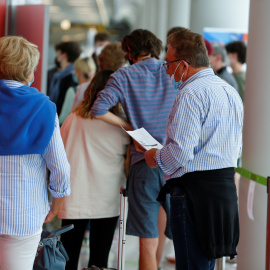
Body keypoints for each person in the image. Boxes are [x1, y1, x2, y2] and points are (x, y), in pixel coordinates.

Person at [144, 29, 243, 270]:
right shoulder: (231, 92)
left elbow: (179, 153)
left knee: (191, 265)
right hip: (224, 192)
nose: (167, 70)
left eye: (168, 64)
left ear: (184, 65)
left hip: (193, 195)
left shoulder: (190, 93)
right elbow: (237, 145)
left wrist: (154, 156)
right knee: (205, 264)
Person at [91, 29, 176, 270]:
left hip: (144, 163)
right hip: (176, 162)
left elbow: (98, 109)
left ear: (129, 51)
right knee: (179, 234)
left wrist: (130, 127)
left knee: (147, 241)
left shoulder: (123, 75)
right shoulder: (172, 71)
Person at [0, 36, 71, 270]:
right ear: (29, 71)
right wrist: (56, 205)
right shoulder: (43, 108)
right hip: (24, 215)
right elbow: (60, 167)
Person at [59, 70, 130, 269]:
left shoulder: (72, 119)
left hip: (73, 196)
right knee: (100, 260)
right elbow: (128, 162)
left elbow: (59, 155)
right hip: (107, 197)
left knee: (67, 258)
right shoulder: (122, 125)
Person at [59, 56, 96, 124]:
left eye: (75, 70)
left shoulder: (73, 91)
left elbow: (63, 118)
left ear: (79, 71)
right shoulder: (97, 90)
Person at [49, 41, 82, 114]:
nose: (57, 59)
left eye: (58, 55)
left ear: (64, 55)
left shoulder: (70, 77)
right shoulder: (64, 75)